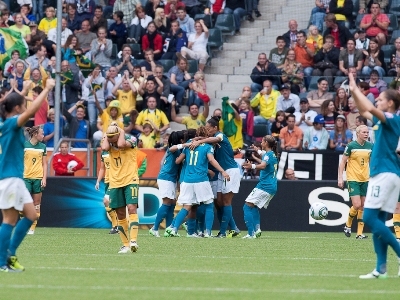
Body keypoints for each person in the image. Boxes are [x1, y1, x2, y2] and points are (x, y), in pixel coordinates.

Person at [348, 73, 400, 279]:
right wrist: (354, 92)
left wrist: (355, 89)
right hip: (388, 174)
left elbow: (368, 108)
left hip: (385, 173)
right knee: (377, 219)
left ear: (390, 103)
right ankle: (381, 269)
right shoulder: (385, 121)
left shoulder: (392, 118)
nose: (376, 101)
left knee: (368, 216)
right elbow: (363, 110)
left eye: (380, 99)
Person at [0, 78, 54, 272]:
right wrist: (46, 89)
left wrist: (23, 91)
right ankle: (2, 262)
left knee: (31, 215)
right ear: (16, 109)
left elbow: (9, 104)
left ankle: (10, 254)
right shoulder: (12, 123)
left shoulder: (4, 122)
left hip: (13, 178)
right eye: (23, 105)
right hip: (11, 178)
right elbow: (31, 112)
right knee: (9, 220)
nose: (26, 108)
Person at [166, 126, 230, 237]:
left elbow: (178, 161)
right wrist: (222, 171)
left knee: (187, 206)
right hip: (201, 180)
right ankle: (207, 232)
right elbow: (211, 160)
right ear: (207, 135)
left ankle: (174, 229)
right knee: (209, 204)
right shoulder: (207, 146)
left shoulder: (189, 144)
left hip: (187, 180)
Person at [189, 117, 242, 238]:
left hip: (230, 171)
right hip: (221, 173)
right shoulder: (212, 142)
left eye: (208, 128)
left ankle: (223, 232)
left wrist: (198, 141)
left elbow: (216, 139)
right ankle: (233, 228)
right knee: (218, 202)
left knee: (226, 201)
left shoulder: (220, 135)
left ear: (215, 128)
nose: (207, 130)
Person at [101, 124, 140, 253]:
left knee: (131, 208)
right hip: (115, 182)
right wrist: (108, 133)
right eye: (109, 137)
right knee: (121, 214)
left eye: (113, 136)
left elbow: (122, 144)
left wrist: (121, 131)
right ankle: (125, 244)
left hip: (130, 180)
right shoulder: (108, 142)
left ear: (119, 134)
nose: (110, 139)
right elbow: (105, 147)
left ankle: (133, 241)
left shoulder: (131, 139)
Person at [338, 124, 372, 240]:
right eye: (364, 132)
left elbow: (372, 162)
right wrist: (340, 177)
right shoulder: (351, 146)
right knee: (357, 205)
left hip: (365, 179)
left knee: (363, 206)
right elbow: (343, 162)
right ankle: (348, 225)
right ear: (358, 133)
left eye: (367, 132)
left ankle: (359, 233)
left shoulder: (370, 146)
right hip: (353, 178)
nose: (366, 134)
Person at [241, 135, 278, 238]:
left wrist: (251, 166)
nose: (261, 142)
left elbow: (263, 165)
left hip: (265, 185)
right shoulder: (272, 154)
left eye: (262, 141)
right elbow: (265, 158)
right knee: (254, 206)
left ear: (266, 143)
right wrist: (258, 151)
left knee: (247, 206)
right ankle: (257, 230)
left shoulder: (268, 155)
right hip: (271, 186)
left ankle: (250, 233)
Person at [23, 126, 47, 235]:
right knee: (24, 201)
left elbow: (45, 164)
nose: (43, 135)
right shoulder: (24, 145)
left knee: (37, 203)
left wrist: (44, 178)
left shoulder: (43, 147)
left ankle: (32, 228)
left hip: (38, 178)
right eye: (42, 133)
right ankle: (25, 223)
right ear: (35, 134)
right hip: (26, 177)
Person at [95, 150, 119, 234]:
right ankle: (116, 227)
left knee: (107, 201)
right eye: (102, 139)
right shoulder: (104, 153)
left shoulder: (118, 150)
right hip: (108, 181)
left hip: (117, 181)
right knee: (108, 203)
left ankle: (116, 226)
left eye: (105, 138)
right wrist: (98, 181)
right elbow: (102, 168)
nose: (103, 141)